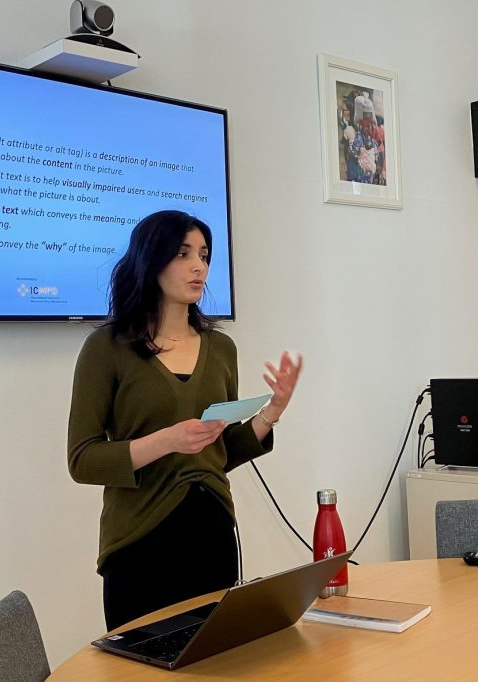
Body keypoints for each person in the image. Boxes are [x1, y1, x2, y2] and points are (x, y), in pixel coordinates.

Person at [67, 210, 303, 630]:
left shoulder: (222, 349)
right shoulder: (106, 347)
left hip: (213, 536)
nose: (199, 266)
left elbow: (220, 453)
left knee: (216, 664)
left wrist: (272, 412)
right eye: (183, 253)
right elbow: (82, 460)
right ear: (151, 260)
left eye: (205, 255)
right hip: (139, 543)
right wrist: (167, 440)